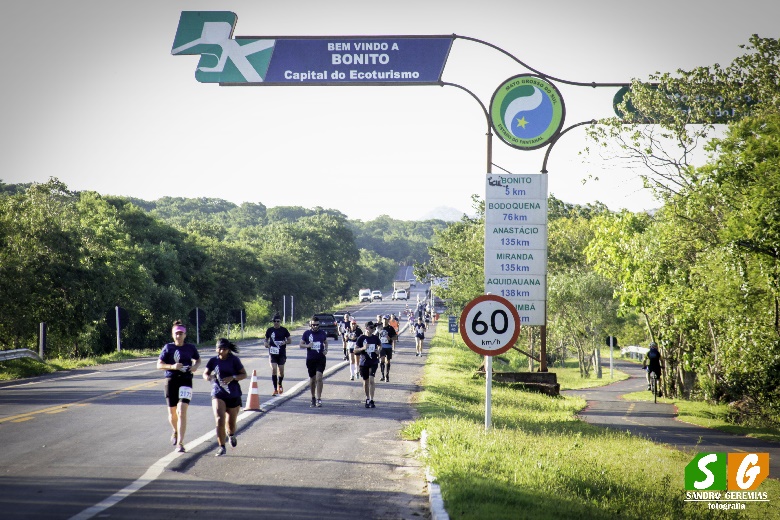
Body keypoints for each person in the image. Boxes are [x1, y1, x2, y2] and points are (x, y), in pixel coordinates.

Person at [157, 320, 201, 453]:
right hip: (171, 381)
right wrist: (172, 366)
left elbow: (198, 360)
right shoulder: (168, 348)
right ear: (172, 335)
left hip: (186, 381)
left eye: (181, 333)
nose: (178, 336)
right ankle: (175, 431)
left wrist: (195, 367)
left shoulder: (190, 348)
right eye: (176, 333)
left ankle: (180, 443)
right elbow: (159, 365)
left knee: (181, 411)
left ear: (185, 335)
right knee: (172, 414)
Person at [203, 338, 247, 456]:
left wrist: (232, 377)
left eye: (223, 349)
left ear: (228, 350)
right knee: (219, 419)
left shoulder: (234, 360)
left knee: (231, 424)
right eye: (219, 348)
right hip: (218, 393)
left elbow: (244, 374)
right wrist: (209, 377)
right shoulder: (213, 361)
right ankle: (221, 446)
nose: (221, 351)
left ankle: (231, 435)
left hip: (233, 394)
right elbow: (205, 373)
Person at [300, 315, 329, 407]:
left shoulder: (322, 333)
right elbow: (301, 344)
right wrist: (307, 346)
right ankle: (313, 397)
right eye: (313, 325)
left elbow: (326, 342)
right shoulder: (306, 333)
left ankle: (319, 398)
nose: (315, 326)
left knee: (319, 378)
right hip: (311, 359)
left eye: (317, 325)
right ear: (310, 325)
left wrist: (326, 350)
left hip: (320, 358)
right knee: (312, 380)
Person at [354, 321, 381, 408]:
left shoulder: (375, 338)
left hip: (373, 361)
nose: (373, 329)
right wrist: (363, 348)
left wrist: (378, 351)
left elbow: (380, 345)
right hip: (364, 362)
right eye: (371, 328)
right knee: (366, 382)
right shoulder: (361, 338)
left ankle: (372, 400)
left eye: (373, 328)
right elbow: (355, 350)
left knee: (372, 380)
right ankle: (367, 398)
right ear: (366, 328)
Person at [264, 313, 290, 395]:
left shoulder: (284, 330)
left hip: (281, 353)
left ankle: (280, 384)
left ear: (280, 322)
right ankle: (275, 389)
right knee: (274, 369)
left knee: (281, 371)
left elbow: (289, 340)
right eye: (274, 321)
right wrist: (266, 344)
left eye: (277, 321)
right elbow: (265, 340)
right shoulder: (269, 330)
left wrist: (284, 342)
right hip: (272, 353)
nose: (276, 323)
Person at [378, 314, 397, 382]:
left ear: (388, 320)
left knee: (388, 361)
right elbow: (375, 336)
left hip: (388, 346)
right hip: (381, 346)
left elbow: (396, 337)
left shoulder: (391, 328)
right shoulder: (379, 328)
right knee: (382, 360)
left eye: (386, 319)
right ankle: (382, 375)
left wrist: (390, 338)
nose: (385, 320)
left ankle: (387, 375)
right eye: (384, 319)